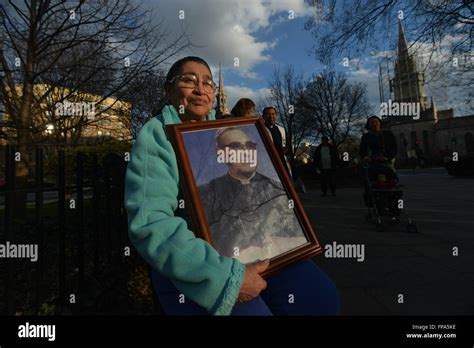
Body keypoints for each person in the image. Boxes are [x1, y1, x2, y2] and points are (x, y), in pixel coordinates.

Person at [125, 56, 339, 316]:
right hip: (194, 263)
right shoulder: (156, 135)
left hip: (252, 248)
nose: (200, 89)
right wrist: (225, 279)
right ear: (168, 89)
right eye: (189, 81)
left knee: (321, 297)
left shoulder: (228, 129)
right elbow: (151, 223)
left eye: (208, 83)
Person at [198, 126, 307, 264]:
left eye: (250, 146)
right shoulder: (207, 193)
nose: (246, 152)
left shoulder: (278, 189)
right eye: (236, 146)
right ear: (220, 153)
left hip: (283, 261)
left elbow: (298, 234)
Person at [262, 107, 291, 175]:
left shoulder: (282, 130)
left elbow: (288, 146)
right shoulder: (260, 130)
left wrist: (286, 150)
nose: (271, 116)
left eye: (273, 114)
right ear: (263, 116)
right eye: (268, 114)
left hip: (281, 163)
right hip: (267, 164)